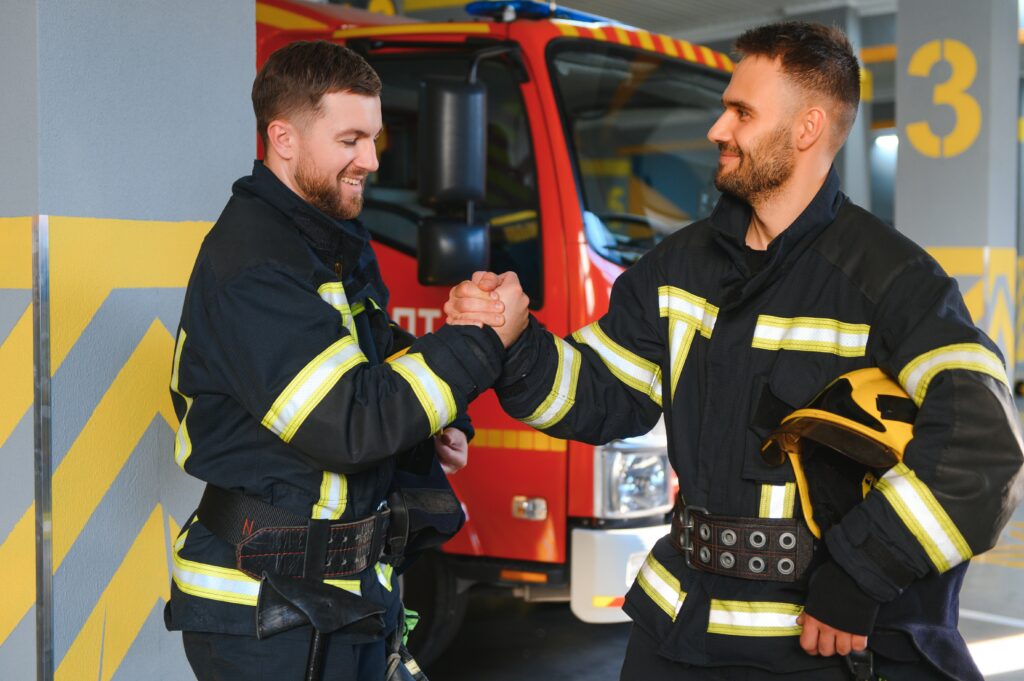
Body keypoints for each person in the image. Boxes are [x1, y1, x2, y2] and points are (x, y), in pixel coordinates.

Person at [446, 21, 1024, 681]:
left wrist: (861, 573)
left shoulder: (894, 281)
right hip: (675, 632)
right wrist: (516, 341)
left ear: (806, 129)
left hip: (813, 647)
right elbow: (601, 395)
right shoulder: (677, 266)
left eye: (741, 112)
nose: (718, 130)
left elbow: (982, 448)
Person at [163, 41, 521, 681]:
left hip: (335, 597)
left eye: (375, 139)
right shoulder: (255, 264)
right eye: (351, 139)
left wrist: (443, 419)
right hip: (267, 613)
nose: (372, 160)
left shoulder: (323, 242)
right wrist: (479, 339)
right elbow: (348, 424)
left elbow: (377, 356)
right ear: (284, 138)